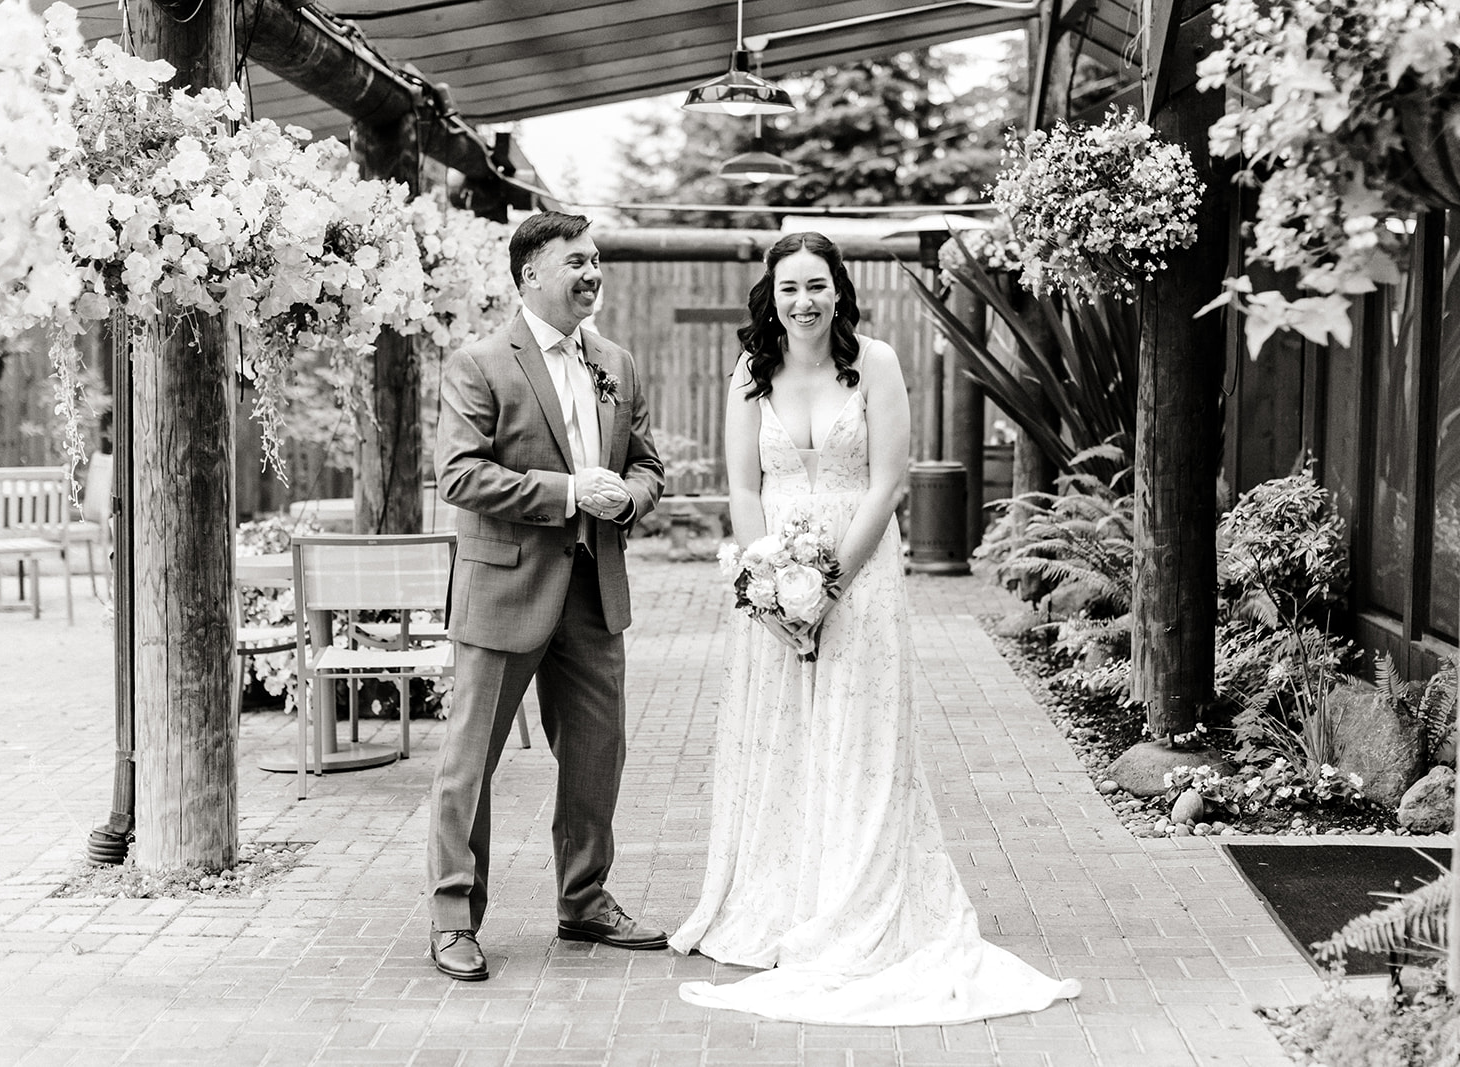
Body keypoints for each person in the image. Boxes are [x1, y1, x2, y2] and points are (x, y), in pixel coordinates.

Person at [668, 232, 1082, 1024]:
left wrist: (826, 587)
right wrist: (770, 587)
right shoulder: (750, 372)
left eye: (816, 285)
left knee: (857, 733)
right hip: (773, 576)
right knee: (783, 734)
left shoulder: (878, 363)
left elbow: (889, 482)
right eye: (789, 288)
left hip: (860, 574)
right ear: (771, 297)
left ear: (839, 290)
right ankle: (781, 897)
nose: (803, 301)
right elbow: (743, 489)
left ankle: (854, 894)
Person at [429, 211, 668, 981]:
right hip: (505, 588)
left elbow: (647, 464)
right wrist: (568, 492)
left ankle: (585, 899)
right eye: (577, 261)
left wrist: (629, 497)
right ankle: (454, 916)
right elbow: (459, 474)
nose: (592, 272)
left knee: (599, 751)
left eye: (596, 260)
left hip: (594, 589)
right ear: (531, 274)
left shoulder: (616, 362)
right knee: (471, 762)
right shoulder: (478, 363)